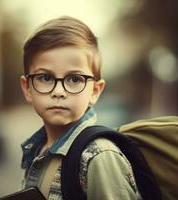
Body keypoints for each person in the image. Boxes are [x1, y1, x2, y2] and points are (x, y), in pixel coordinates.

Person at [20, 16, 142, 199]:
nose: (59, 91)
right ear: (27, 88)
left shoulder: (99, 157)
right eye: (45, 78)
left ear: (95, 90)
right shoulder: (37, 149)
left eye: (74, 79)